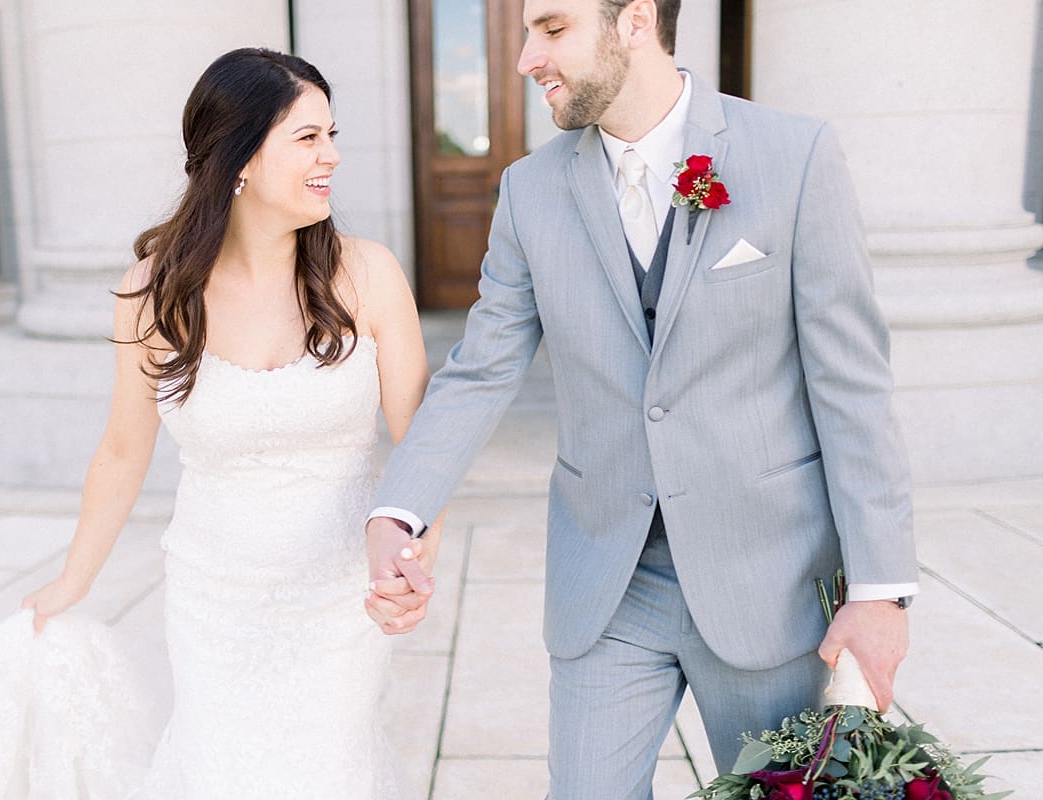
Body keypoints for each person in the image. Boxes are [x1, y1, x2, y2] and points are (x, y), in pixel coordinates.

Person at [364, 1, 919, 797]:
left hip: (772, 583)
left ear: (634, 22)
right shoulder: (529, 191)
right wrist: (398, 512)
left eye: (551, 30)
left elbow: (852, 387)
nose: (525, 59)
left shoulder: (794, 157)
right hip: (608, 582)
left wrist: (879, 591)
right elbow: (481, 369)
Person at [0, 47, 439, 799]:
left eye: (333, 135)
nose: (331, 156)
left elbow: (427, 443)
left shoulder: (367, 274)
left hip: (338, 598)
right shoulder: (153, 292)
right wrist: (74, 579)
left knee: (330, 771)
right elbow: (123, 449)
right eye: (307, 138)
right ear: (236, 157)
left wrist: (414, 564)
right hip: (213, 599)